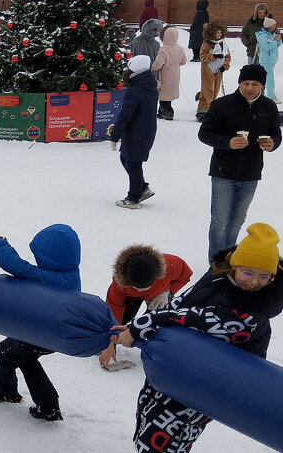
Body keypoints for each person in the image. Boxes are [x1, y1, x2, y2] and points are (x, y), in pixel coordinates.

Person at [113, 223, 283, 452]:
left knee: (168, 437)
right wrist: (136, 326)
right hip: (176, 363)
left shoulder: (252, 314)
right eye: (248, 273)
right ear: (234, 265)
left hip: (206, 382)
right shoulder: (218, 277)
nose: (254, 282)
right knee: (147, 412)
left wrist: (140, 328)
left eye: (264, 277)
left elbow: (193, 318)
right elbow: (182, 302)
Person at [0, 224, 82, 422]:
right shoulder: (71, 274)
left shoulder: (50, 278)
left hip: (39, 335)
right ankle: (48, 406)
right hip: (53, 334)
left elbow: (17, 266)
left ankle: (3, 392)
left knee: (5, 354)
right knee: (24, 359)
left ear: (52, 257)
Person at [199, 64, 280, 260]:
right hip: (223, 172)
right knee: (219, 223)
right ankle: (216, 264)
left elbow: (276, 134)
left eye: (255, 84)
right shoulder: (221, 105)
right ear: (239, 83)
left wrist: (272, 143)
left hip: (251, 174)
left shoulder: (268, 107)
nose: (249, 88)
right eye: (246, 83)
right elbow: (204, 133)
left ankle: (229, 260)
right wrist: (227, 142)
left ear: (262, 86)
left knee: (236, 222)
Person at [96, 244, 194, 368]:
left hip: (159, 294)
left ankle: (152, 345)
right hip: (130, 298)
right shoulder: (119, 284)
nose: (141, 291)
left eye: (147, 286)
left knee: (155, 320)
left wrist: (168, 291)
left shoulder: (171, 265)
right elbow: (113, 310)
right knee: (121, 321)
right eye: (137, 288)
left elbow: (185, 276)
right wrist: (110, 343)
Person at [110, 55, 158, 209]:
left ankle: (133, 197)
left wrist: (115, 136)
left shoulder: (135, 90)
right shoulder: (149, 85)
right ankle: (142, 188)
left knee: (133, 163)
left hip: (137, 132)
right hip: (145, 130)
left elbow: (126, 115)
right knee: (126, 158)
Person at [151, 26, 188, 121]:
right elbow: (183, 61)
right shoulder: (179, 48)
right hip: (176, 74)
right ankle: (162, 111)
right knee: (169, 94)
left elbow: (159, 63)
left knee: (164, 94)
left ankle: (167, 112)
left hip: (165, 75)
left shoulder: (163, 50)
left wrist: (153, 67)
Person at [196, 20, 230, 121]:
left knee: (216, 89)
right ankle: (203, 109)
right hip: (208, 68)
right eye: (217, 33)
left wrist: (225, 66)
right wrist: (214, 56)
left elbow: (228, 56)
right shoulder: (207, 44)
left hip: (218, 70)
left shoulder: (223, 43)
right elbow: (202, 57)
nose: (219, 35)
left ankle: (211, 106)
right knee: (208, 89)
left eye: (220, 33)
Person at [254, 17, 280, 102]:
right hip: (266, 61)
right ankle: (271, 97)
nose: (275, 26)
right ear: (269, 26)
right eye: (273, 25)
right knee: (269, 80)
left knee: (268, 79)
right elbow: (267, 47)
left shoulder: (271, 35)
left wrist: (278, 38)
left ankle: (262, 95)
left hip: (270, 61)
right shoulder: (263, 36)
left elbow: (277, 45)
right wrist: (275, 41)